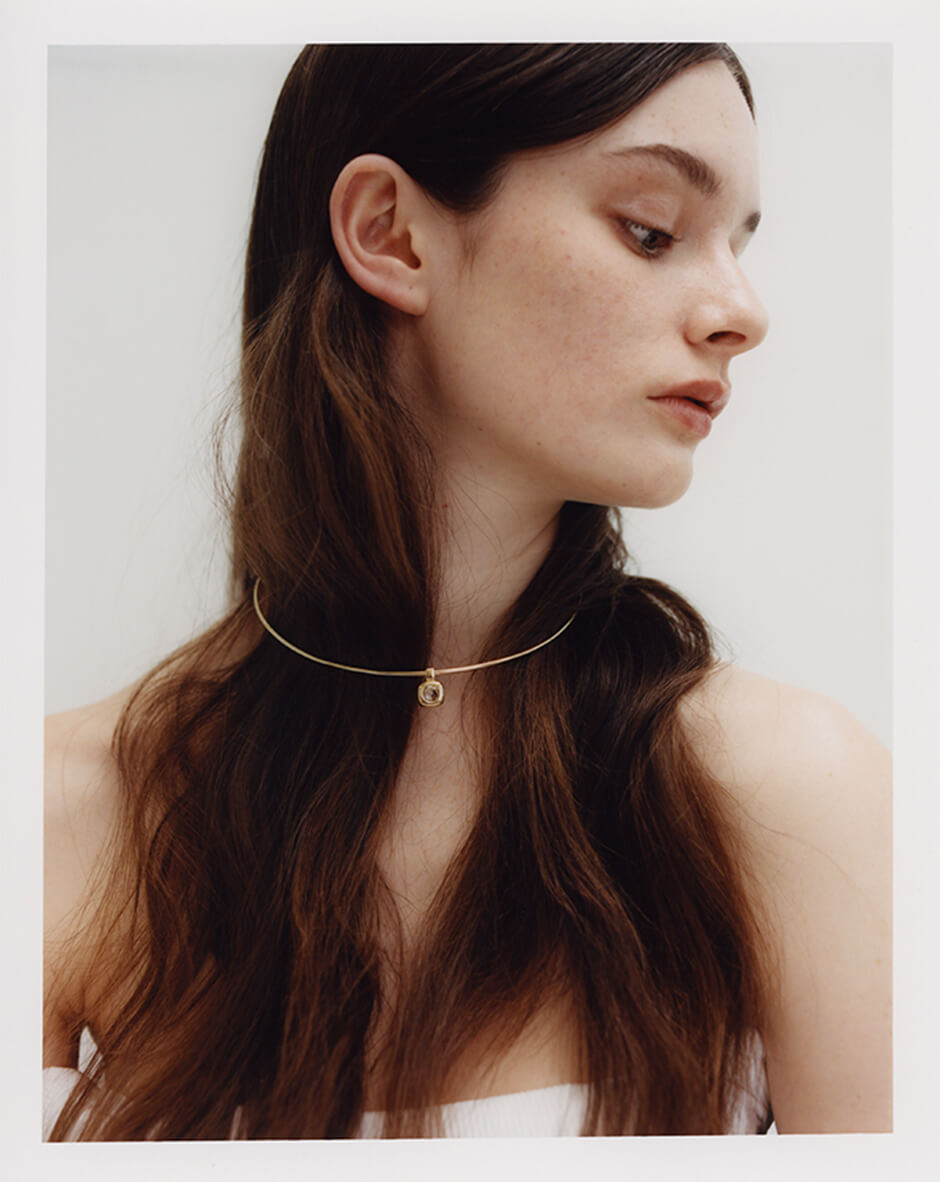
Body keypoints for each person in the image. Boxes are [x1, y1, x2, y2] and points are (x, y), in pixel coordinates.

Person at [43, 43, 890, 1139]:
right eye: (651, 229)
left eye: (738, 244)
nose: (742, 311)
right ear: (392, 234)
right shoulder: (55, 815)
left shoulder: (791, 799)